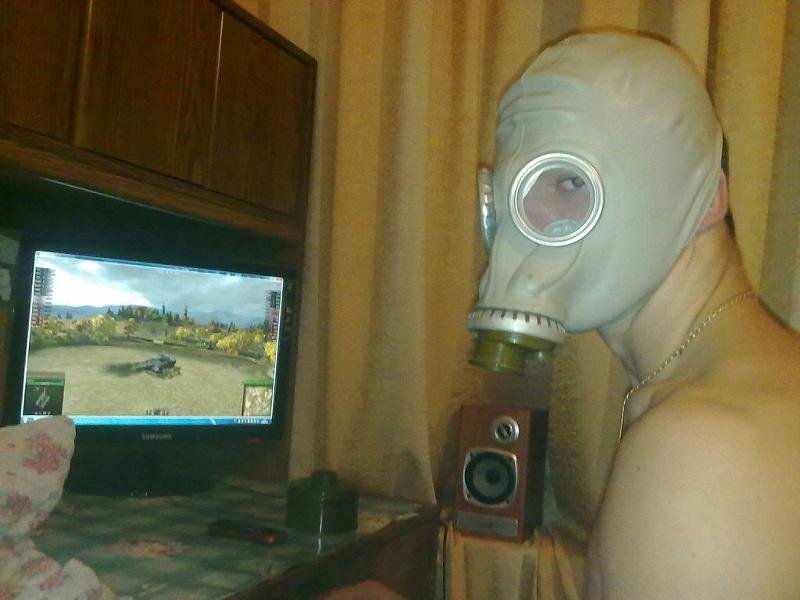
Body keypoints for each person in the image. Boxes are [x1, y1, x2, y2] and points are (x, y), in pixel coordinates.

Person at [325, 30, 800, 599]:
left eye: (570, 182)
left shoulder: (704, 450)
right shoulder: (731, 390)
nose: (525, 227)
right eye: (510, 193)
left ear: (706, 199)